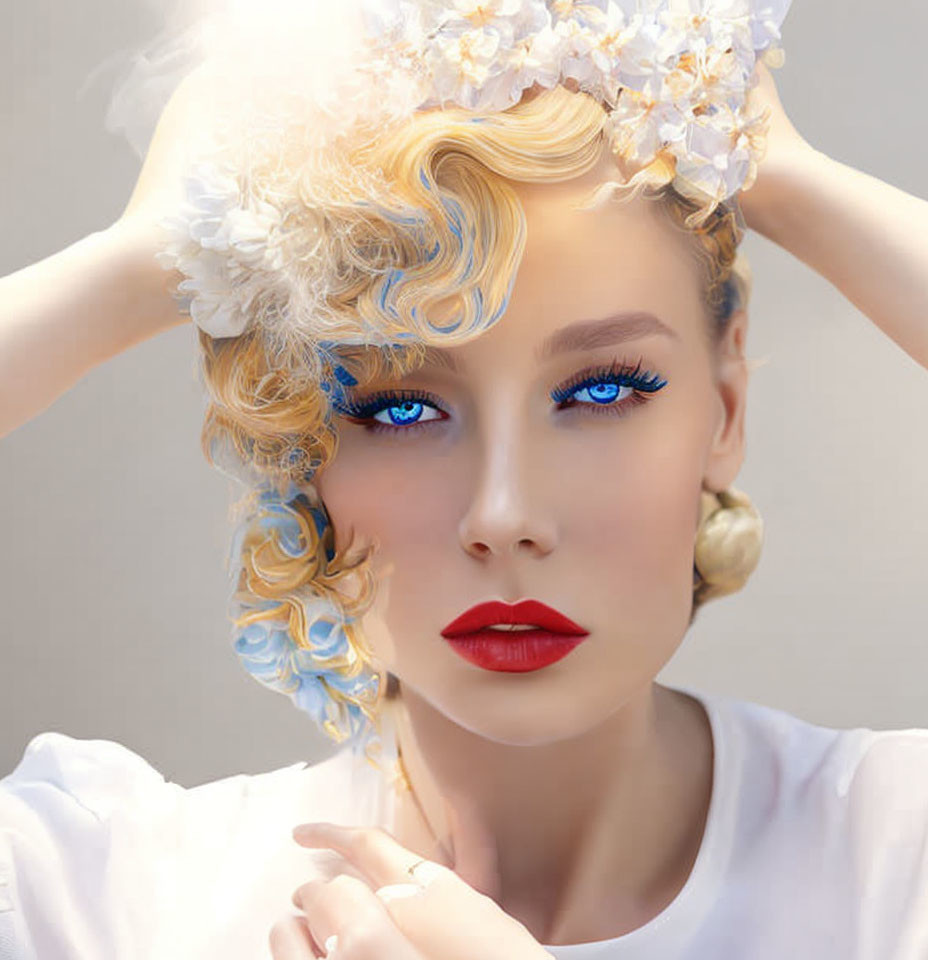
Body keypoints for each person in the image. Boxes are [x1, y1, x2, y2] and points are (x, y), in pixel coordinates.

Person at [2, 2, 928, 959]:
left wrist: (786, 177)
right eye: (402, 409)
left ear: (725, 406)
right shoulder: (117, 896)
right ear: (303, 448)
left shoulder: (892, 866)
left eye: (603, 391)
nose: (504, 517)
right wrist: (146, 257)